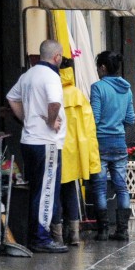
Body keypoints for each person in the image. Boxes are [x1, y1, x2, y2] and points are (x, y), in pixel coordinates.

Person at [7, 40, 69, 254]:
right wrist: (52, 121)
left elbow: (11, 97)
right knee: (46, 191)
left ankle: (36, 234)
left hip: (29, 141)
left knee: (36, 189)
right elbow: (54, 103)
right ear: (57, 56)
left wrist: (26, 119)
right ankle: (41, 238)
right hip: (46, 143)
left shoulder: (28, 75)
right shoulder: (51, 76)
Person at [89, 51, 135, 241]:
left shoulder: (98, 88)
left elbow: (95, 117)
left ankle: (102, 231)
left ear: (102, 67)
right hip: (119, 142)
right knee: (122, 187)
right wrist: (117, 127)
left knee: (100, 187)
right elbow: (131, 118)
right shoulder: (127, 89)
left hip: (100, 143)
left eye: (97, 67)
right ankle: (122, 230)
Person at [58, 59, 100, 245]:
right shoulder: (78, 95)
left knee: (54, 192)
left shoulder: (52, 92)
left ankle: (56, 235)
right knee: (71, 190)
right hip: (75, 151)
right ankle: (74, 234)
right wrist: (90, 156)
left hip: (56, 148)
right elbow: (89, 127)